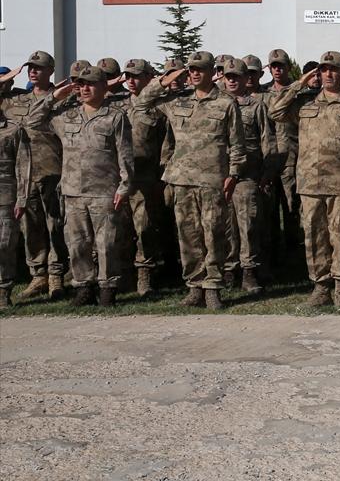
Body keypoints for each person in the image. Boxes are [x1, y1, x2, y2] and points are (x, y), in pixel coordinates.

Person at [135, 51, 247, 310]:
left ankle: (212, 287)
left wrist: (233, 174)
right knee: (188, 236)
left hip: (213, 180)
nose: (194, 73)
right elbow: (141, 104)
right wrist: (163, 81)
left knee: (214, 234)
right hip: (182, 180)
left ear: (211, 72)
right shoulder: (177, 102)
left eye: (200, 69)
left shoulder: (226, 104)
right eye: (191, 69)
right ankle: (195, 285)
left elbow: (237, 145)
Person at [269, 51, 340, 307]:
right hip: (310, 183)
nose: (328, 74)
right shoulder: (305, 103)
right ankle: (320, 287)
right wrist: (299, 83)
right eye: (324, 69)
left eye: (334, 69)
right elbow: (275, 110)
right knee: (314, 237)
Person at [23, 66, 134, 307]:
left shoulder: (114, 116)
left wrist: (125, 186)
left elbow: (125, 154)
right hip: (73, 191)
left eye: (90, 84)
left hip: (105, 190)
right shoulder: (66, 116)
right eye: (80, 84)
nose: (84, 88)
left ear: (104, 87)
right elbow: (31, 121)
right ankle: (84, 288)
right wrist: (53, 97)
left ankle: (108, 289)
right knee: (77, 243)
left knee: (106, 244)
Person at [0, 52, 67, 301]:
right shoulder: (16, 100)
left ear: (50, 70)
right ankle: (38, 275)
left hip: (53, 170)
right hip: (24, 174)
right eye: (30, 67)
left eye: (39, 67)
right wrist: (6, 78)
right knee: (30, 227)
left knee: (55, 225)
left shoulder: (62, 98)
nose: (33, 71)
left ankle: (56, 275)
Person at [222, 58, 276, 295]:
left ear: (247, 79)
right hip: (220, 176)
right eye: (228, 77)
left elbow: (268, 141)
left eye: (237, 77)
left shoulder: (255, 106)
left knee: (248, 227)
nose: (232, 80)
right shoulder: (217, 105)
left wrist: (267, 173)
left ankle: (249, 272)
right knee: (224, 228)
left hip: (247, 176)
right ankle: (227, 271)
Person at [120, 59, 169, 296]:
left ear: (150, 78)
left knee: (145, 228)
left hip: (146, 177)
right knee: (120, 228)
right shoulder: (116, 105)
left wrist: (162, 176)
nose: (131, 80)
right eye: (127, 76)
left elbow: (167, 144)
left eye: (136, 76)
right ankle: (123, 274)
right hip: (118, 179)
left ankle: (145, 275)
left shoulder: (160, 108)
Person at [265, 49, 301, 263]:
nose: (277, 69)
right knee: (269, 207)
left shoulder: (298, 92)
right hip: (269, 159)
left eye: (281, 65)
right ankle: (272, 253)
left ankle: (293, 250)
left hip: (291, 157)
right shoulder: (262, 93)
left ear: (288, 67)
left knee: (291, 206)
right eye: (274, 66)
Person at [0, 105, 30, 309]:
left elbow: (23, 165)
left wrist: (22, 197)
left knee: (4, 245)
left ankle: (3, 291)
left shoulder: (14, 129)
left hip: (5, 195)